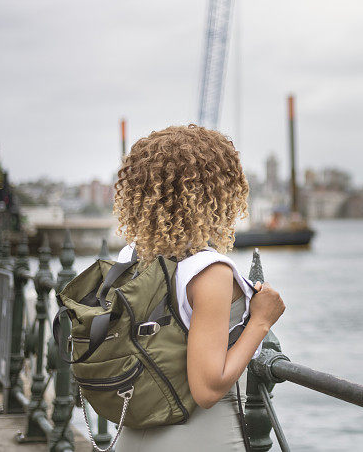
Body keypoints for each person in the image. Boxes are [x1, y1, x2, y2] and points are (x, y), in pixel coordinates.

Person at [111, 124, 285, 452]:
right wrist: (261, 320)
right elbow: (207, 389)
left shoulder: (130, 257)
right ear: (215, 191)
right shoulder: (209, 272)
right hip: (199, 438)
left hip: (132, 434)